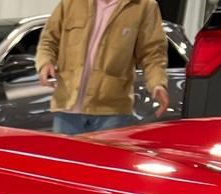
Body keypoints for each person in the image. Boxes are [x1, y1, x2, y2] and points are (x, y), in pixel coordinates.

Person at [36, 0, 169, 135]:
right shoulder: (71, 3)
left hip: (111, 111)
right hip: (66, 107)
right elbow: (49, 40)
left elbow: (153, 53)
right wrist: (45, 62)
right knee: (63, 156)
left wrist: (157, 83)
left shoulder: (143, 6)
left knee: (106, 157)